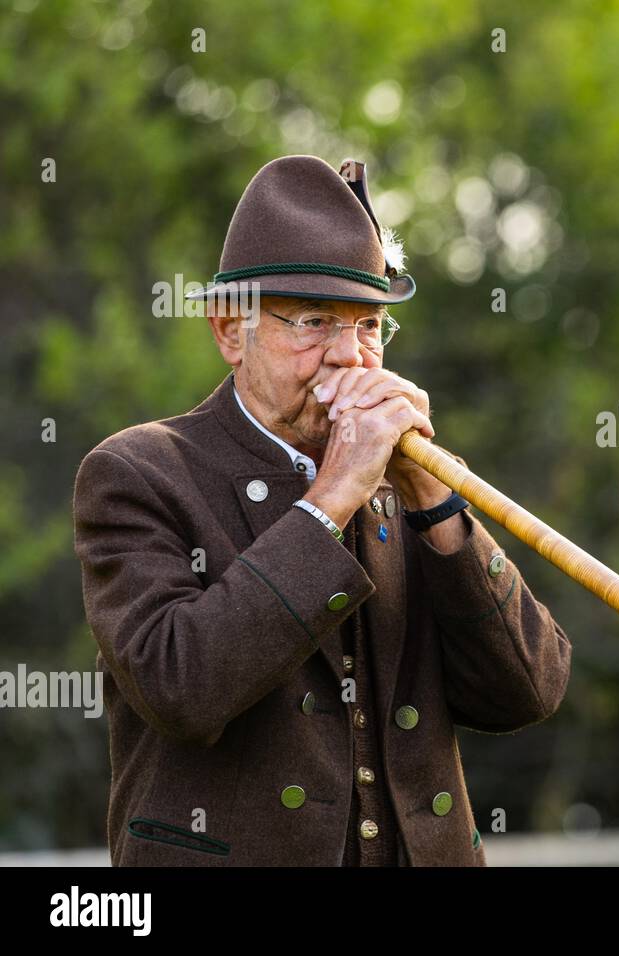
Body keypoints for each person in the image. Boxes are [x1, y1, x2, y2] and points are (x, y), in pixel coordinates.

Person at [73, 155, 571, 866]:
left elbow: (528, 693)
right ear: (228, 329)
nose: (350, 359)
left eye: (369, 327)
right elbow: (180, 688)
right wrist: (332, 496)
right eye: (313, 322)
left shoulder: (412, 480)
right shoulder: (138, 472)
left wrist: (438, 507)